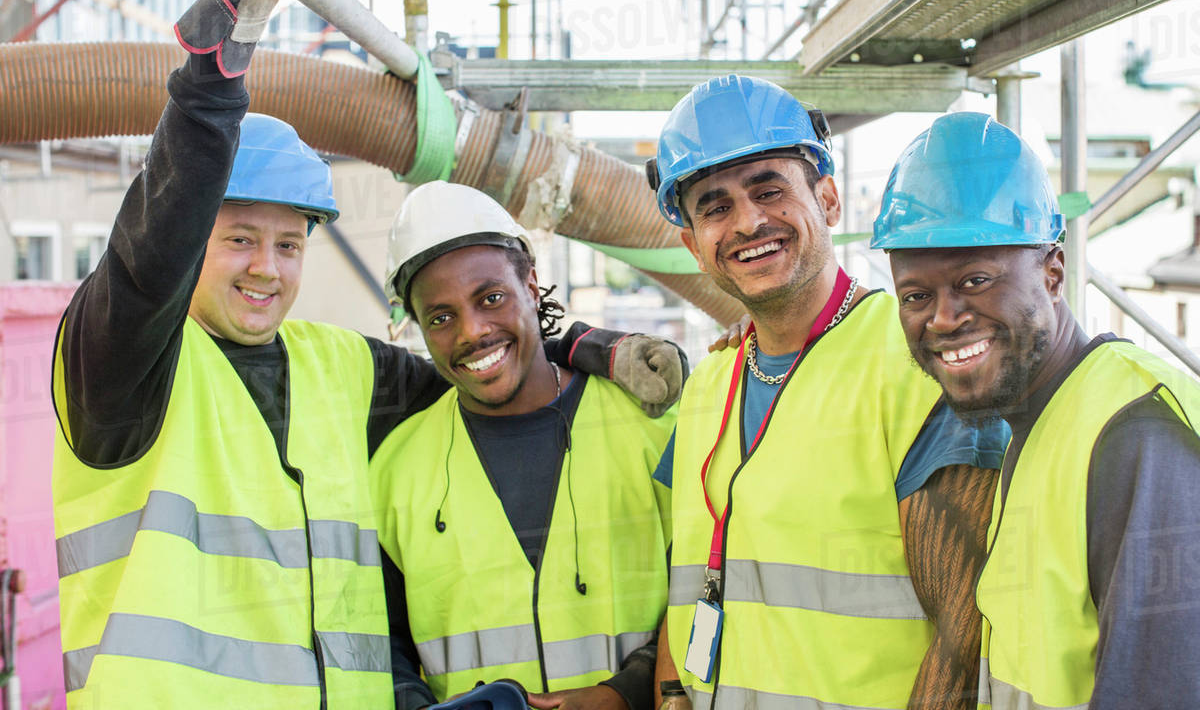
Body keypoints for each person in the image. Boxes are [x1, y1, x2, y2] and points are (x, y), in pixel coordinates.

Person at [50, 0, 682, 708]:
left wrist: (595, 346)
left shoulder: (341, 368)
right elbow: (148, 259)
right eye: (239, 238)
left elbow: (487, 366)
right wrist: (221, 57)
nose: (266, 267)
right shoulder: (123, 369)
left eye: (289, 244)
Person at [646, 75, 1007, 710]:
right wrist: (673, 692)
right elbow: (693, 574)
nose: (748, 221)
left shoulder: (918, 365)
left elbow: (967, 631)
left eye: (769, 190)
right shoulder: (709, 384)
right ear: (693, 246)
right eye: (715, 206)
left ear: (829, 199)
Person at [872, 111, 1200, 709]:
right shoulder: (1036, 420)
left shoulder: (1133, 436)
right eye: (917, 295)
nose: (943, 318)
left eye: (974, 280)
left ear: (1053, 272)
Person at [370, 181, 679, 710]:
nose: (472, 331)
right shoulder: (396, 469)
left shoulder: (651, 429)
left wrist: (624, 694)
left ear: (531, 287)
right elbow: (382, 641)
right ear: (417, 325)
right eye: (440, 318)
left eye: (491, 298)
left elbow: (707, 585)